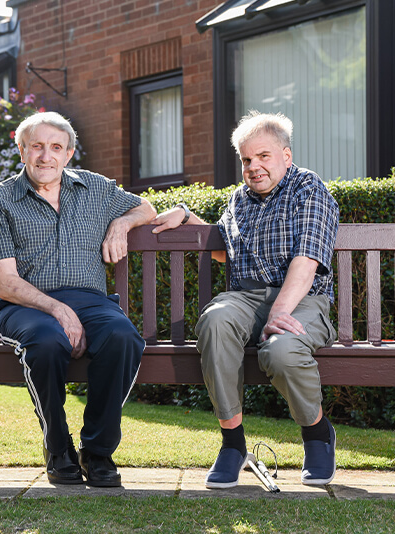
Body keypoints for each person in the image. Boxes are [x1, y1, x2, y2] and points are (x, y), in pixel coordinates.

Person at [152, 111, 339, 488]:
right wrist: (186, 215)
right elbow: (224, 247)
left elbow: (306, 261)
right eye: (246, 160)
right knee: (215, 320)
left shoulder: (308, 188)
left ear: (286, 156)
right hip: (247, 297)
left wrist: (279, 313)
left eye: (263, 156)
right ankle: (233, 444)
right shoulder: (241, 199)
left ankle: (317, 433)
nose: (253, 167)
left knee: (281, 352)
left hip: (303, 298)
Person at [0, 111, 156, 487]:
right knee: (45, 342)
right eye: (37, 146)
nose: (46, 156)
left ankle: (98, 451)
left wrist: (122, 223)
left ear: (69, 154)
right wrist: (58, 309)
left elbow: (147, 208)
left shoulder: (95, 189)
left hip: (91, 301)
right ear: (21, 150)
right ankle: (57, 447)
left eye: (56, 147)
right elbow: (6, 283)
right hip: (25, 306)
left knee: (123, 337)